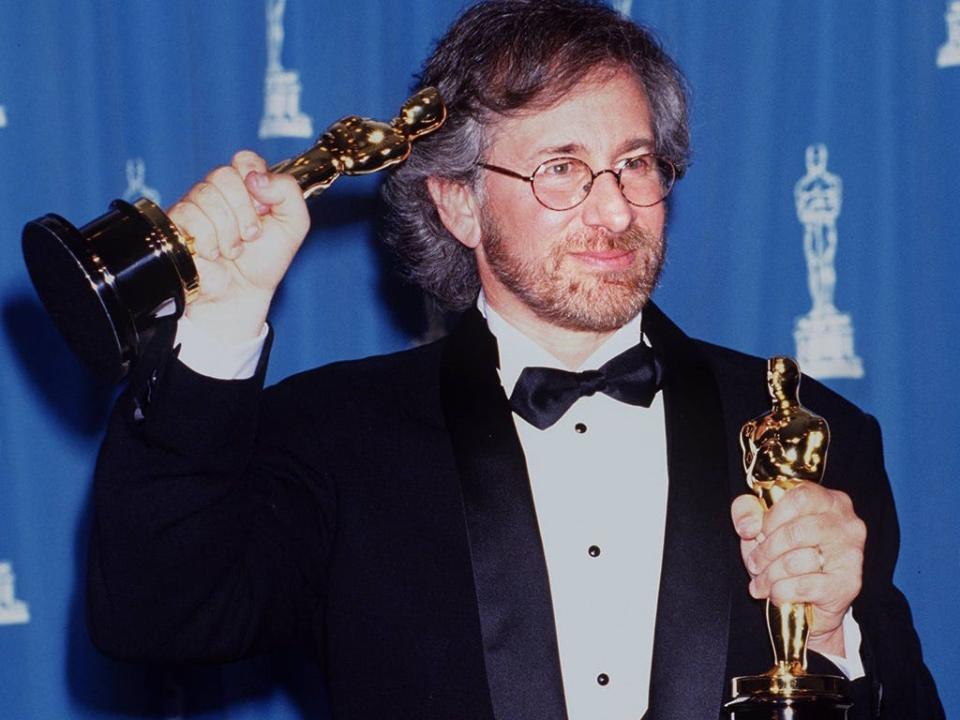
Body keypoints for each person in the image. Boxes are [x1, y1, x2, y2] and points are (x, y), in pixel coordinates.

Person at [87, 1, 943, 718]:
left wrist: (835, 636)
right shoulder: (335, 437)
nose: (613, 211)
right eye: (562, 169)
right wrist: (224, 320)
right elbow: (156, 616)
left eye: (635, 164)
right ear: (459, 201)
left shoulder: (809, 431)